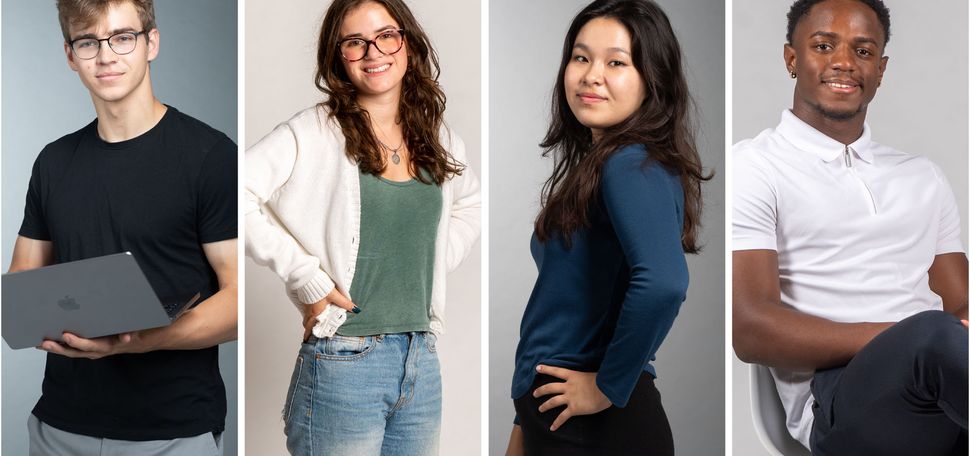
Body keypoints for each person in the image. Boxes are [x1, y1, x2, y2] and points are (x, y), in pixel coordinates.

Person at [244, 0, 480, 454]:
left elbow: (471, 204)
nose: (374, 52)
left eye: (386, 36)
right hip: (343, 362)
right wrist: (306, 277)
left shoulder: (438, 137)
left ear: (406, 42)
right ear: (339, 56)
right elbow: (235, 194)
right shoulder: (315, 131)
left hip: (421, 360)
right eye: (355, 42)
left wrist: (429, 261)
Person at [733, 0, 968, 454]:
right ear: (792, 59)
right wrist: (907, 335)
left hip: (942, 381)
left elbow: (960, 301)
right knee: (933, 336)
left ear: (880, 70)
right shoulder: (757, 167)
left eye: (863, 52)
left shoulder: (923, 176)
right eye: (824, 45)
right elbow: (750, 329)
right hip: (839, 398)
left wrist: (942, 335)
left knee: (937, 340)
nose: (844, 62)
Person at [8, 0, 238, 455]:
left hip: (172, 433)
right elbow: (20, 286)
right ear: (70, 55)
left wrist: (135, 343)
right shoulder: (53, 162)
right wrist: (37, 319)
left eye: (122, 37)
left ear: (151, 42)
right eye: (88, 42)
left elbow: (239, 299)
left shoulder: (210, 157)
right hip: (59, 428)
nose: (106, 56)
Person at [504, 0, 709, 454]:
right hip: (557, 419)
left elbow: (664, 283)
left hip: (598, 428)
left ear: (651, 79)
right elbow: (564, 305)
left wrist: (606, 386)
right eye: (581, 57)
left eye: (616, 62)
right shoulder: (607, 164)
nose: (591, 75)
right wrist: (524, 424)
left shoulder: (630, 163)